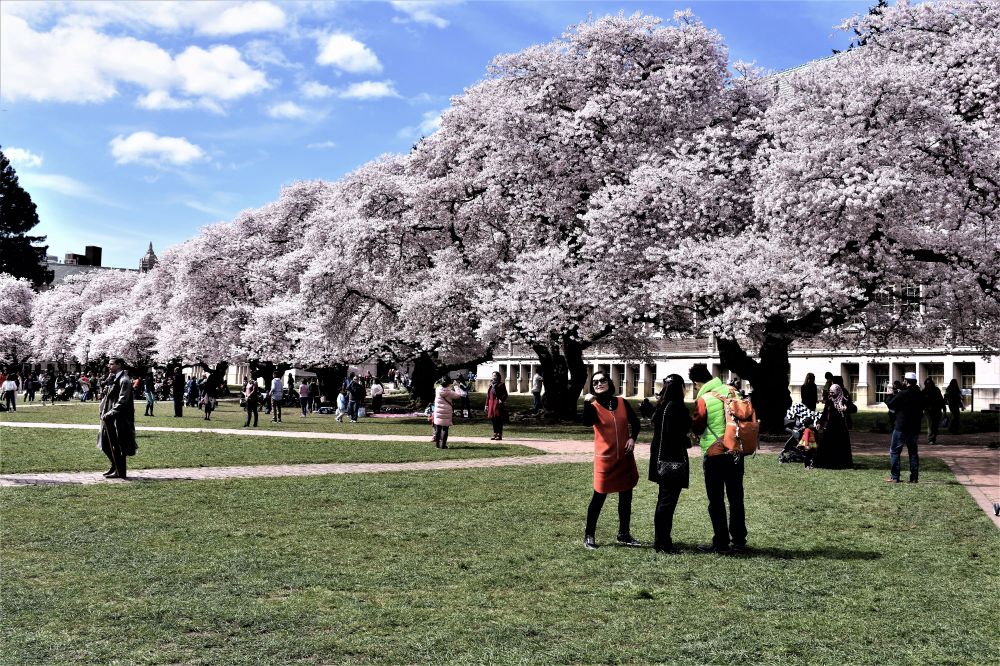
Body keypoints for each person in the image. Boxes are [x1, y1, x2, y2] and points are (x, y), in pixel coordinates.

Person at [689, 363, 747, 554]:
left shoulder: (704, 399)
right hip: (735, 451)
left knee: (716, 500)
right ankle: (739, 540)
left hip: (715, 452)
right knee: (736, 497)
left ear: (696, 383)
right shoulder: (733, 391)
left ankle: (721, 542)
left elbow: (698, 425)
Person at [581, 370, 641, 550]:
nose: (599, 384)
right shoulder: (593, 405)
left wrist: (632, 438)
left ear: (609, 382)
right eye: (595, 382)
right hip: (605, 460)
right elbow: (586, 422)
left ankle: (624, 533)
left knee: (626, 497)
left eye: (602, 380)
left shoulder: (621, 402)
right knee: (598, 498)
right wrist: (587, 402)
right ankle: (589, 535)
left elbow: (635, 423)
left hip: (625, 458)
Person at [648, 374, 691, 554]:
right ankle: (663, 542)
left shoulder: (662, 406)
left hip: (661, 459)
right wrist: (686, 439)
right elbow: (673, 435)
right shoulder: (675, 407)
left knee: (663, 501)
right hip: (671, 461)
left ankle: (661, 540)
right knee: (667, 503)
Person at [97, 358, 137, 480]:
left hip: (119, 418)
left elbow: (123, 400)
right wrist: (107, 385)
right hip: (110, 418)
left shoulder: (124, 380)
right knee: (105, 443)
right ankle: (115, 466)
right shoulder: (114, 378)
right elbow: (108, 394)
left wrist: (111, 413)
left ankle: (120, 471)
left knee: (119, 445)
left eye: (111, 364)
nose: (109, 366)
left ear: (119, 365)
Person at [884, 371, 924, 483]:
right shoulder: (920, 394)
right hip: (915, 427)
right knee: (913, 452)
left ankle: (895, 476)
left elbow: (891, 404)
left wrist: (889, 395)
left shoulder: (903, 394)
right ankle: (914, 477)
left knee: (895, 451)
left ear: (906, 381)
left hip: (901, 427)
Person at [816, 384, 856, 469]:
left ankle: (841, 463)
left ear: (838, 391)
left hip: (841, 427)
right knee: (828, 444)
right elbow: (824, 414)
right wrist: (820, 423)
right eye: (830, 392)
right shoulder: (829, 401)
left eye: (833, 392)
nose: (831, 394)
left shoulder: (844, 400)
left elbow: (854, 409)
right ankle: (828, 463)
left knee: (840, 446)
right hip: (831, 426)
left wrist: (846, 409)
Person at [432, 376, 467, 449]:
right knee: (445, 429)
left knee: (438, 429)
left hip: (438, 411)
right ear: (448, 383)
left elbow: (437, 385)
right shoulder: (449, 392)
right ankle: (443, 445)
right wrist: (456, 386)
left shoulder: (438, 389)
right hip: (446, 411)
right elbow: (458, 395)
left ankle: (437, 445)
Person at [485, 371, 508, 441]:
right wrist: (486, 405)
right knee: (493, 419)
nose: (493, 377)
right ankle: (495, 433)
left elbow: (505, 394)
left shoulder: (501, 384)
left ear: (498, 377)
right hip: (491, 404)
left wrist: (501, 399)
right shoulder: (491, 385)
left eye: (495, 376)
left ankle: (499, 434)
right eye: (492, 376)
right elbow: (488, 395)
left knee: (498, 419)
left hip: (497, 403)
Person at [922, 378, 945, 445]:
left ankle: (933, 438)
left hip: (937, 410)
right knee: (930, 425)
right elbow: (922, 401)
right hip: (928, 411)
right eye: (927, 383)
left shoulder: (936, 390)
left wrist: (944, 409)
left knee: (935, 425)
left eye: (930, 383)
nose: (928, 384)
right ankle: (930, 439)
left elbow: (941, 399)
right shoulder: (924, 391)